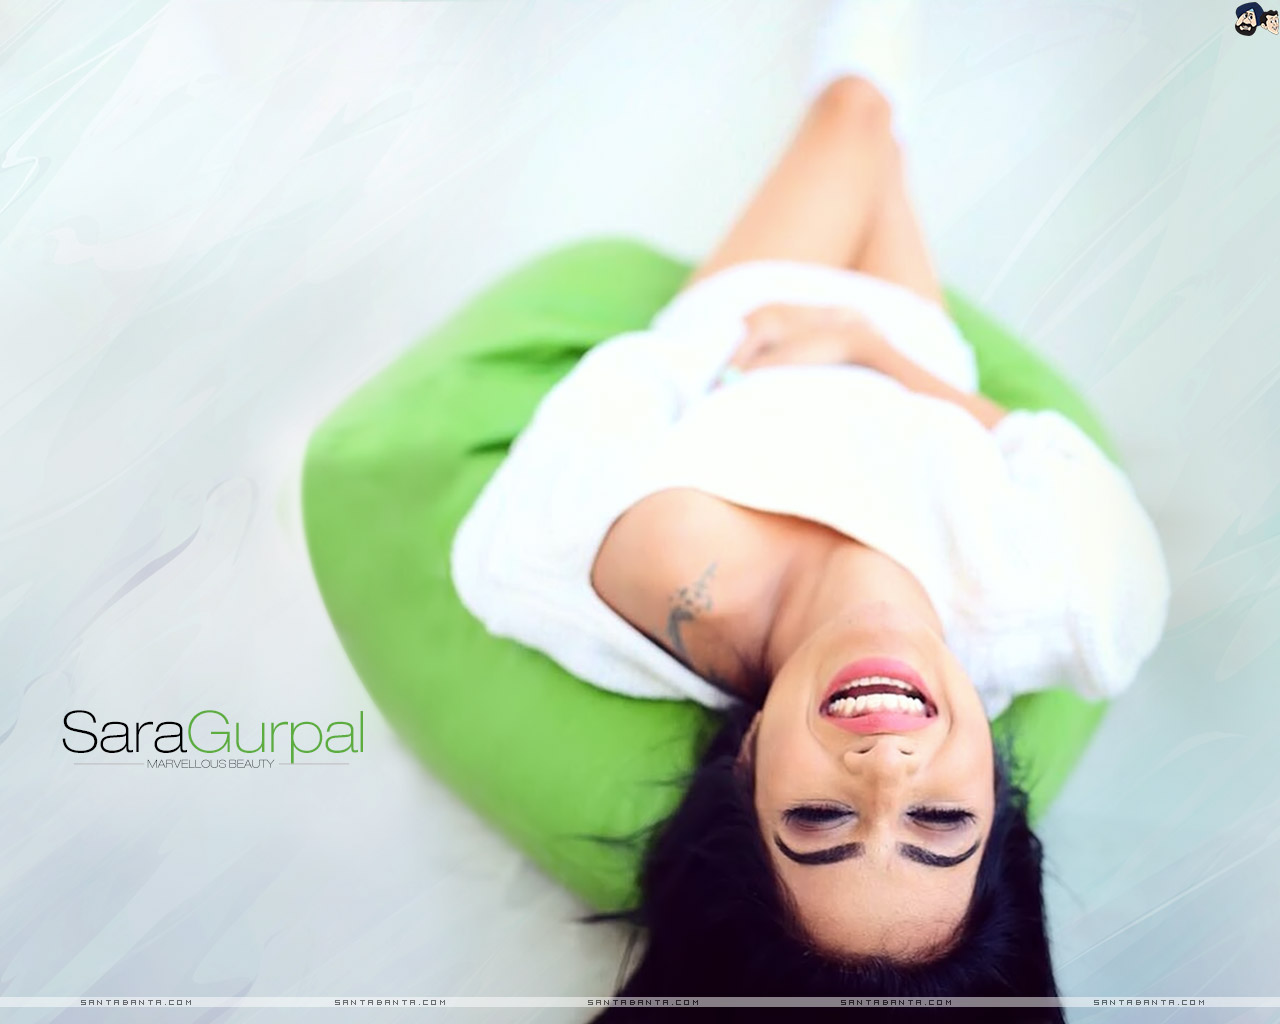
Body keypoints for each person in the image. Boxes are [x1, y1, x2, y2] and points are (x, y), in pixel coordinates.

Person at [450, 74, 1170, 1017]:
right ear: (997, 794)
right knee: (876, 134)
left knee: (856, 109)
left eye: (822, 817)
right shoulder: (1083, 612)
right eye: (939, 819)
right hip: (916, 350)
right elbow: (1046, 448)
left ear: (747, 768)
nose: (886, 770)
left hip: (750, 318)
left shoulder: (621, 566)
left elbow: (624, 387)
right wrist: (874, 348)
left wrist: (742, 345)